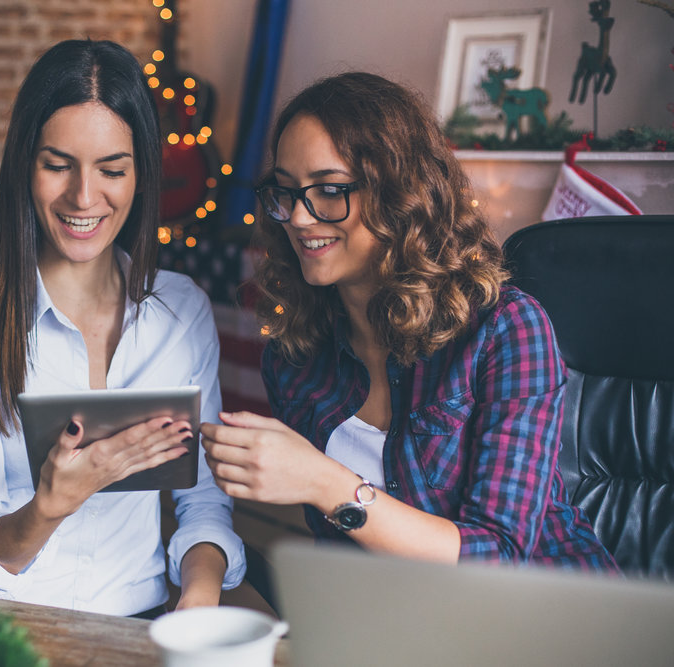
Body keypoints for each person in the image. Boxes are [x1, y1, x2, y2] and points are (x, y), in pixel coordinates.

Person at [200, 72, 617, 571]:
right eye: (287, 193)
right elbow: (343, 552)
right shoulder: (294, 356)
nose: (299, 218)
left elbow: (499, 556)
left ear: (402, 194)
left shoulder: (506, 329)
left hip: (546, 621)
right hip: (399, 624)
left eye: (330, 190)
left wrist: (324, 481)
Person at [0, 39, 245, 618]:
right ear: (26, 165)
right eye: (58, 165)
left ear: (141, 173)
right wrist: (50, 504)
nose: (84, 197)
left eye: (112, 169)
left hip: (138, 622)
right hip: (8, 623)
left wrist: (197, 602)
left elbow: (203, 504)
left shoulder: (182, 313)